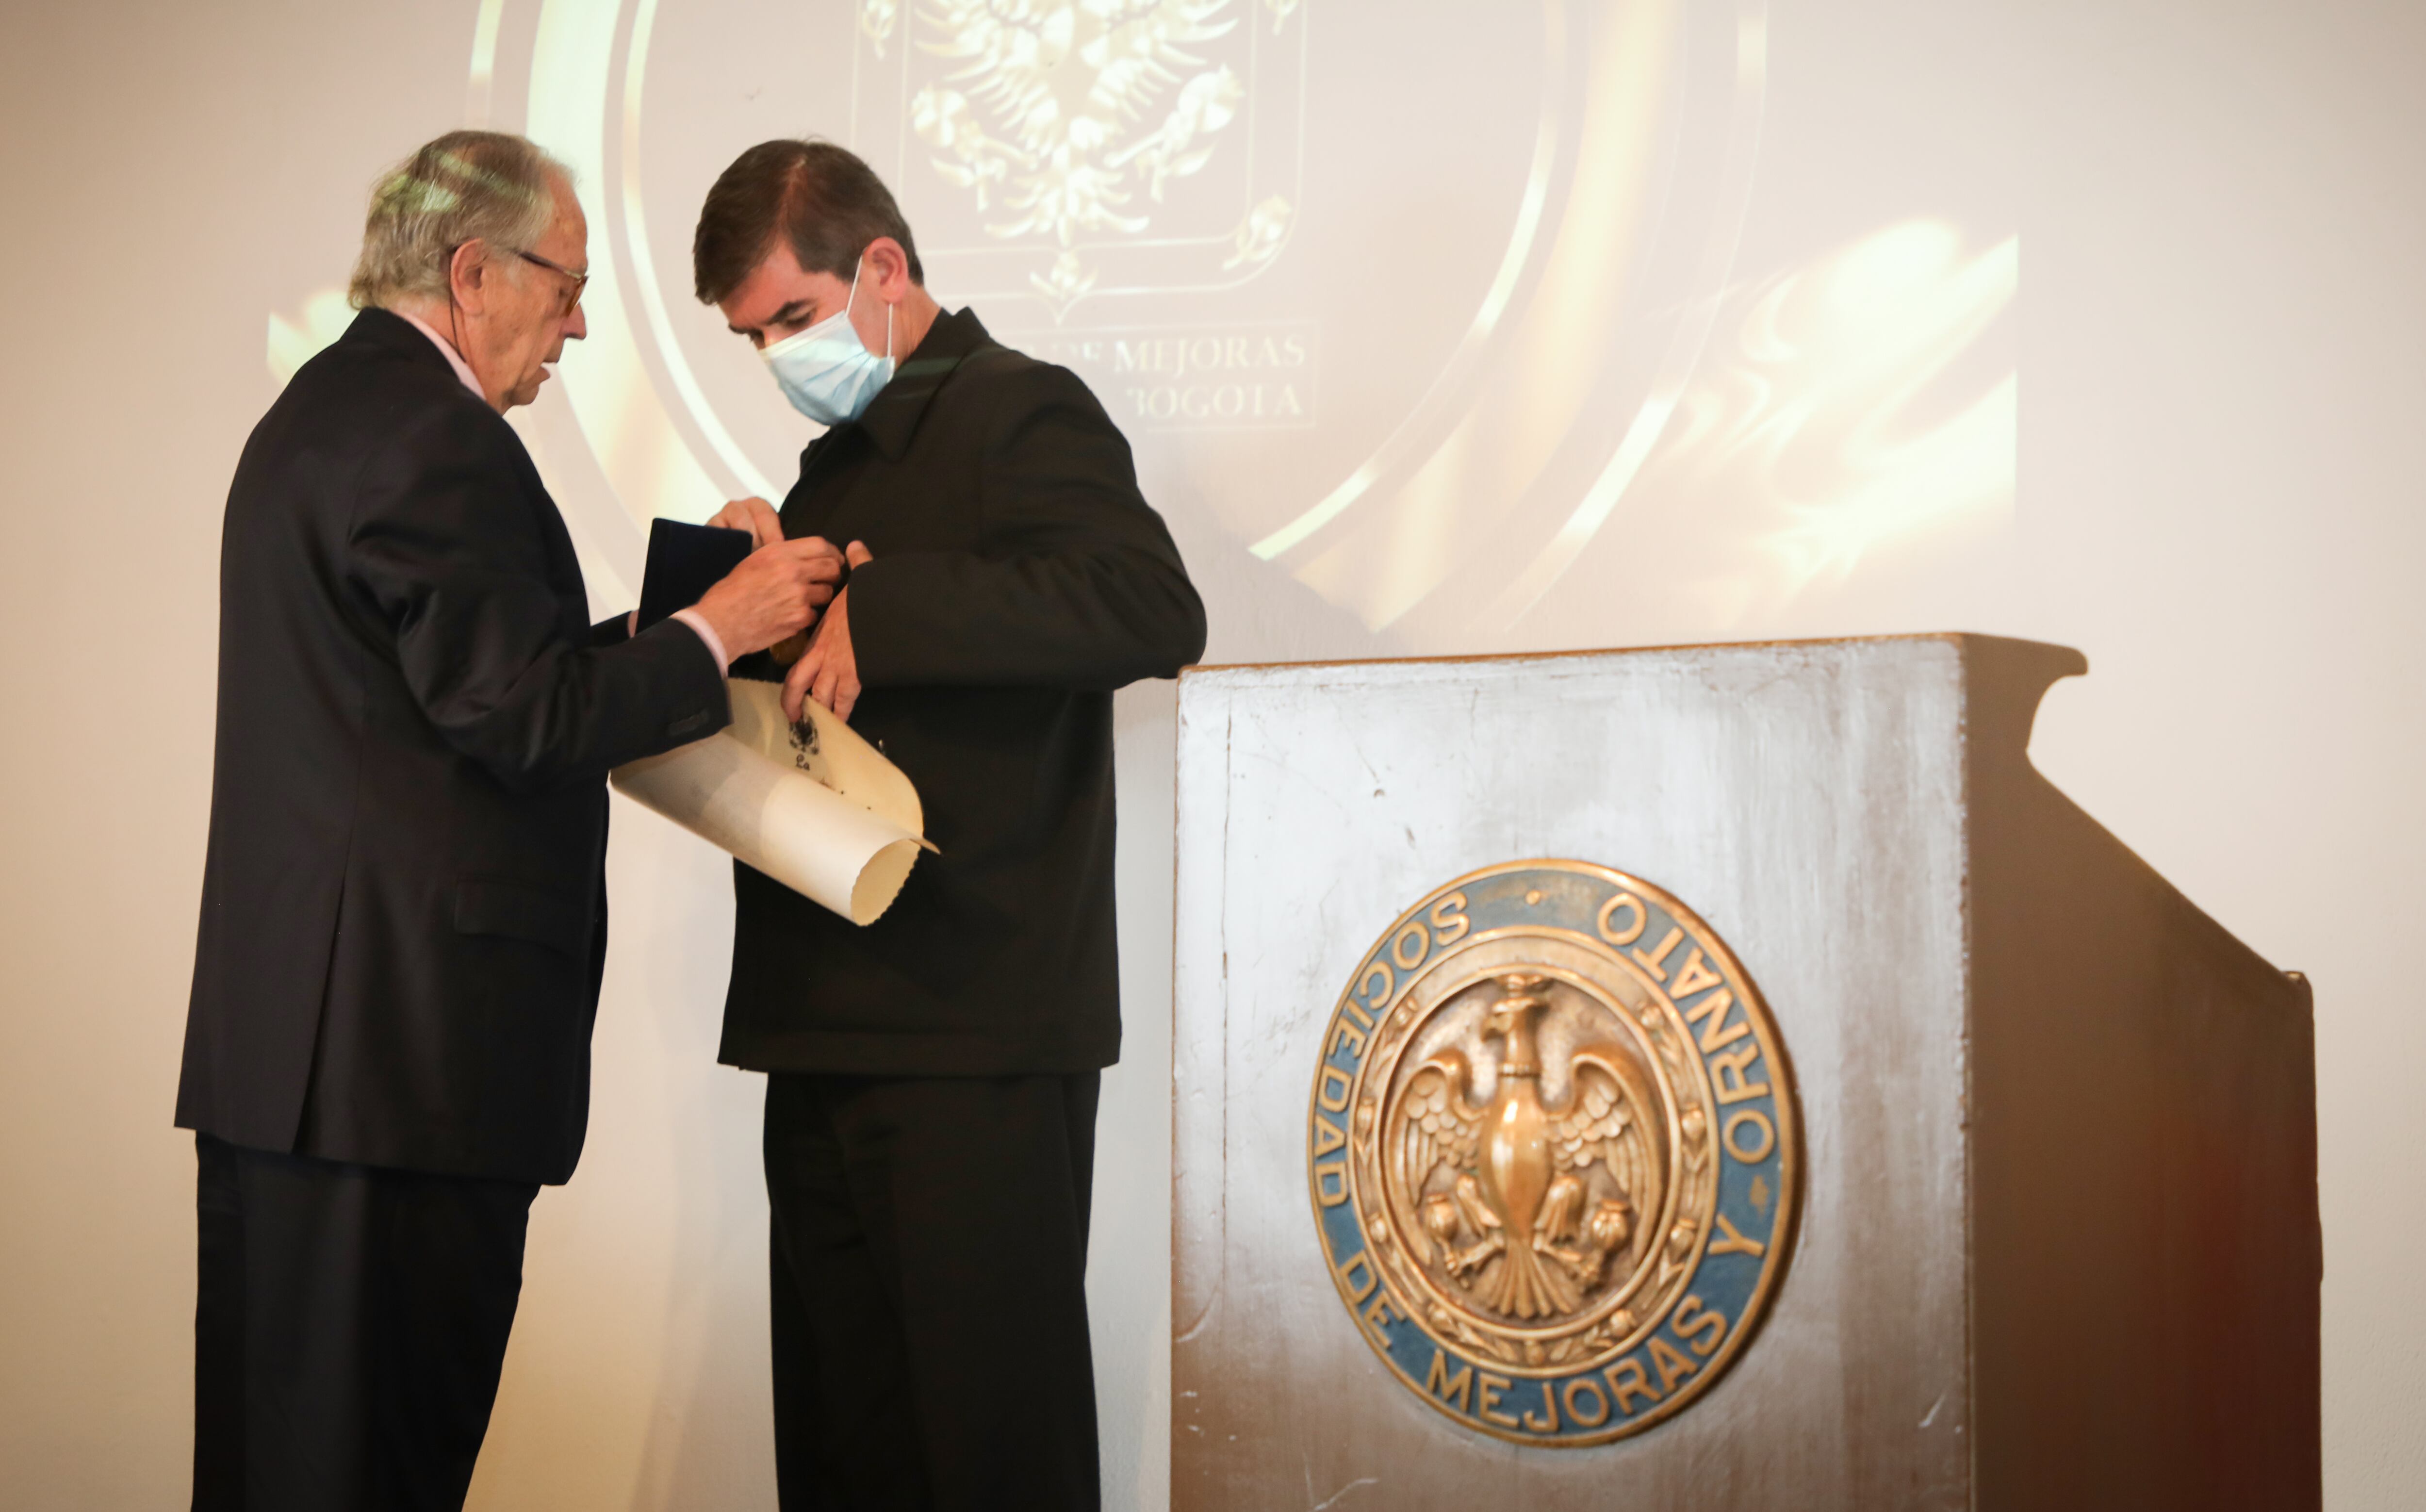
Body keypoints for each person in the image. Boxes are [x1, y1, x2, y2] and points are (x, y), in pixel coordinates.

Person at [175, 129, 844, 1511]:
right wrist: (721, 631)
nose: (582, 322)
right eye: (567, 283)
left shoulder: (325, 413)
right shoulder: (439, 437)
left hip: (302, 1067)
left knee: (282, 1465)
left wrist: (684, 623)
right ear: (472, 274)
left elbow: (460, 689)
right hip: (398, 1072)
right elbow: (521, 718)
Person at [690, 139, 1208, 1510]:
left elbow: (1152, 606)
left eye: (792, 318)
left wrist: (891, 610)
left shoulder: (1020, 407)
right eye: (755, 339)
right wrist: (747, 592)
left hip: (973, 1026)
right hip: (822, 1019)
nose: (779, 355)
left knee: (992, 1448)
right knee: (847, 1448)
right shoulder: (830, 473)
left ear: (884, 268)